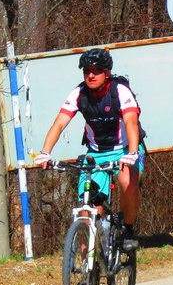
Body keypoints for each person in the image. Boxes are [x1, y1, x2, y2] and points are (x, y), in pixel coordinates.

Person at [34, 48, 144, 250]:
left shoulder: (120, 91)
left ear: (107, 72)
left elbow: (131, 122)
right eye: (87, 71)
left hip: (125, 148)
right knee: (87, 211)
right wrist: (45, 152)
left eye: (97, 70)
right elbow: (59, 123)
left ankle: (128, 229)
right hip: (96, 152)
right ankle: (86, 271)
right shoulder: (79, 93)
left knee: (128, 182)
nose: (91, 75)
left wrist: (132, 153)